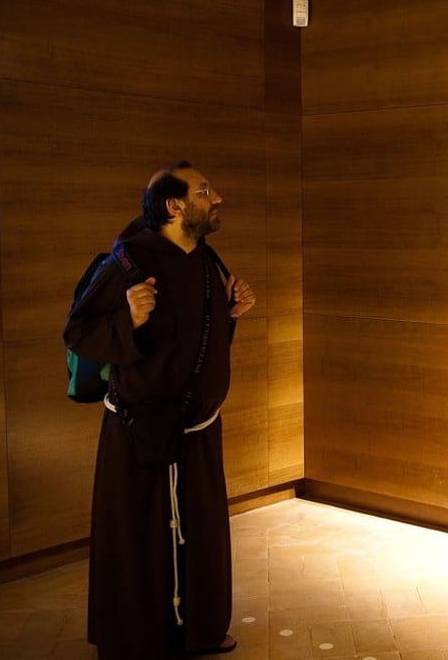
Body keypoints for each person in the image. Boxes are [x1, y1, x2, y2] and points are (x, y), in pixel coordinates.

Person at [64, 161, 255, 659]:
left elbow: (191, 339)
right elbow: (79, 332)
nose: (218, 199)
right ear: (175, 206)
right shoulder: (128, 262)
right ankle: (135, 637)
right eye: (205, 191)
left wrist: (231, 314)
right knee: (138, 535)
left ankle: (199, 629)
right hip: (140, 429)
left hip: (198, 429)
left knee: (201, 532)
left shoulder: (208, 260)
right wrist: (128, 316)